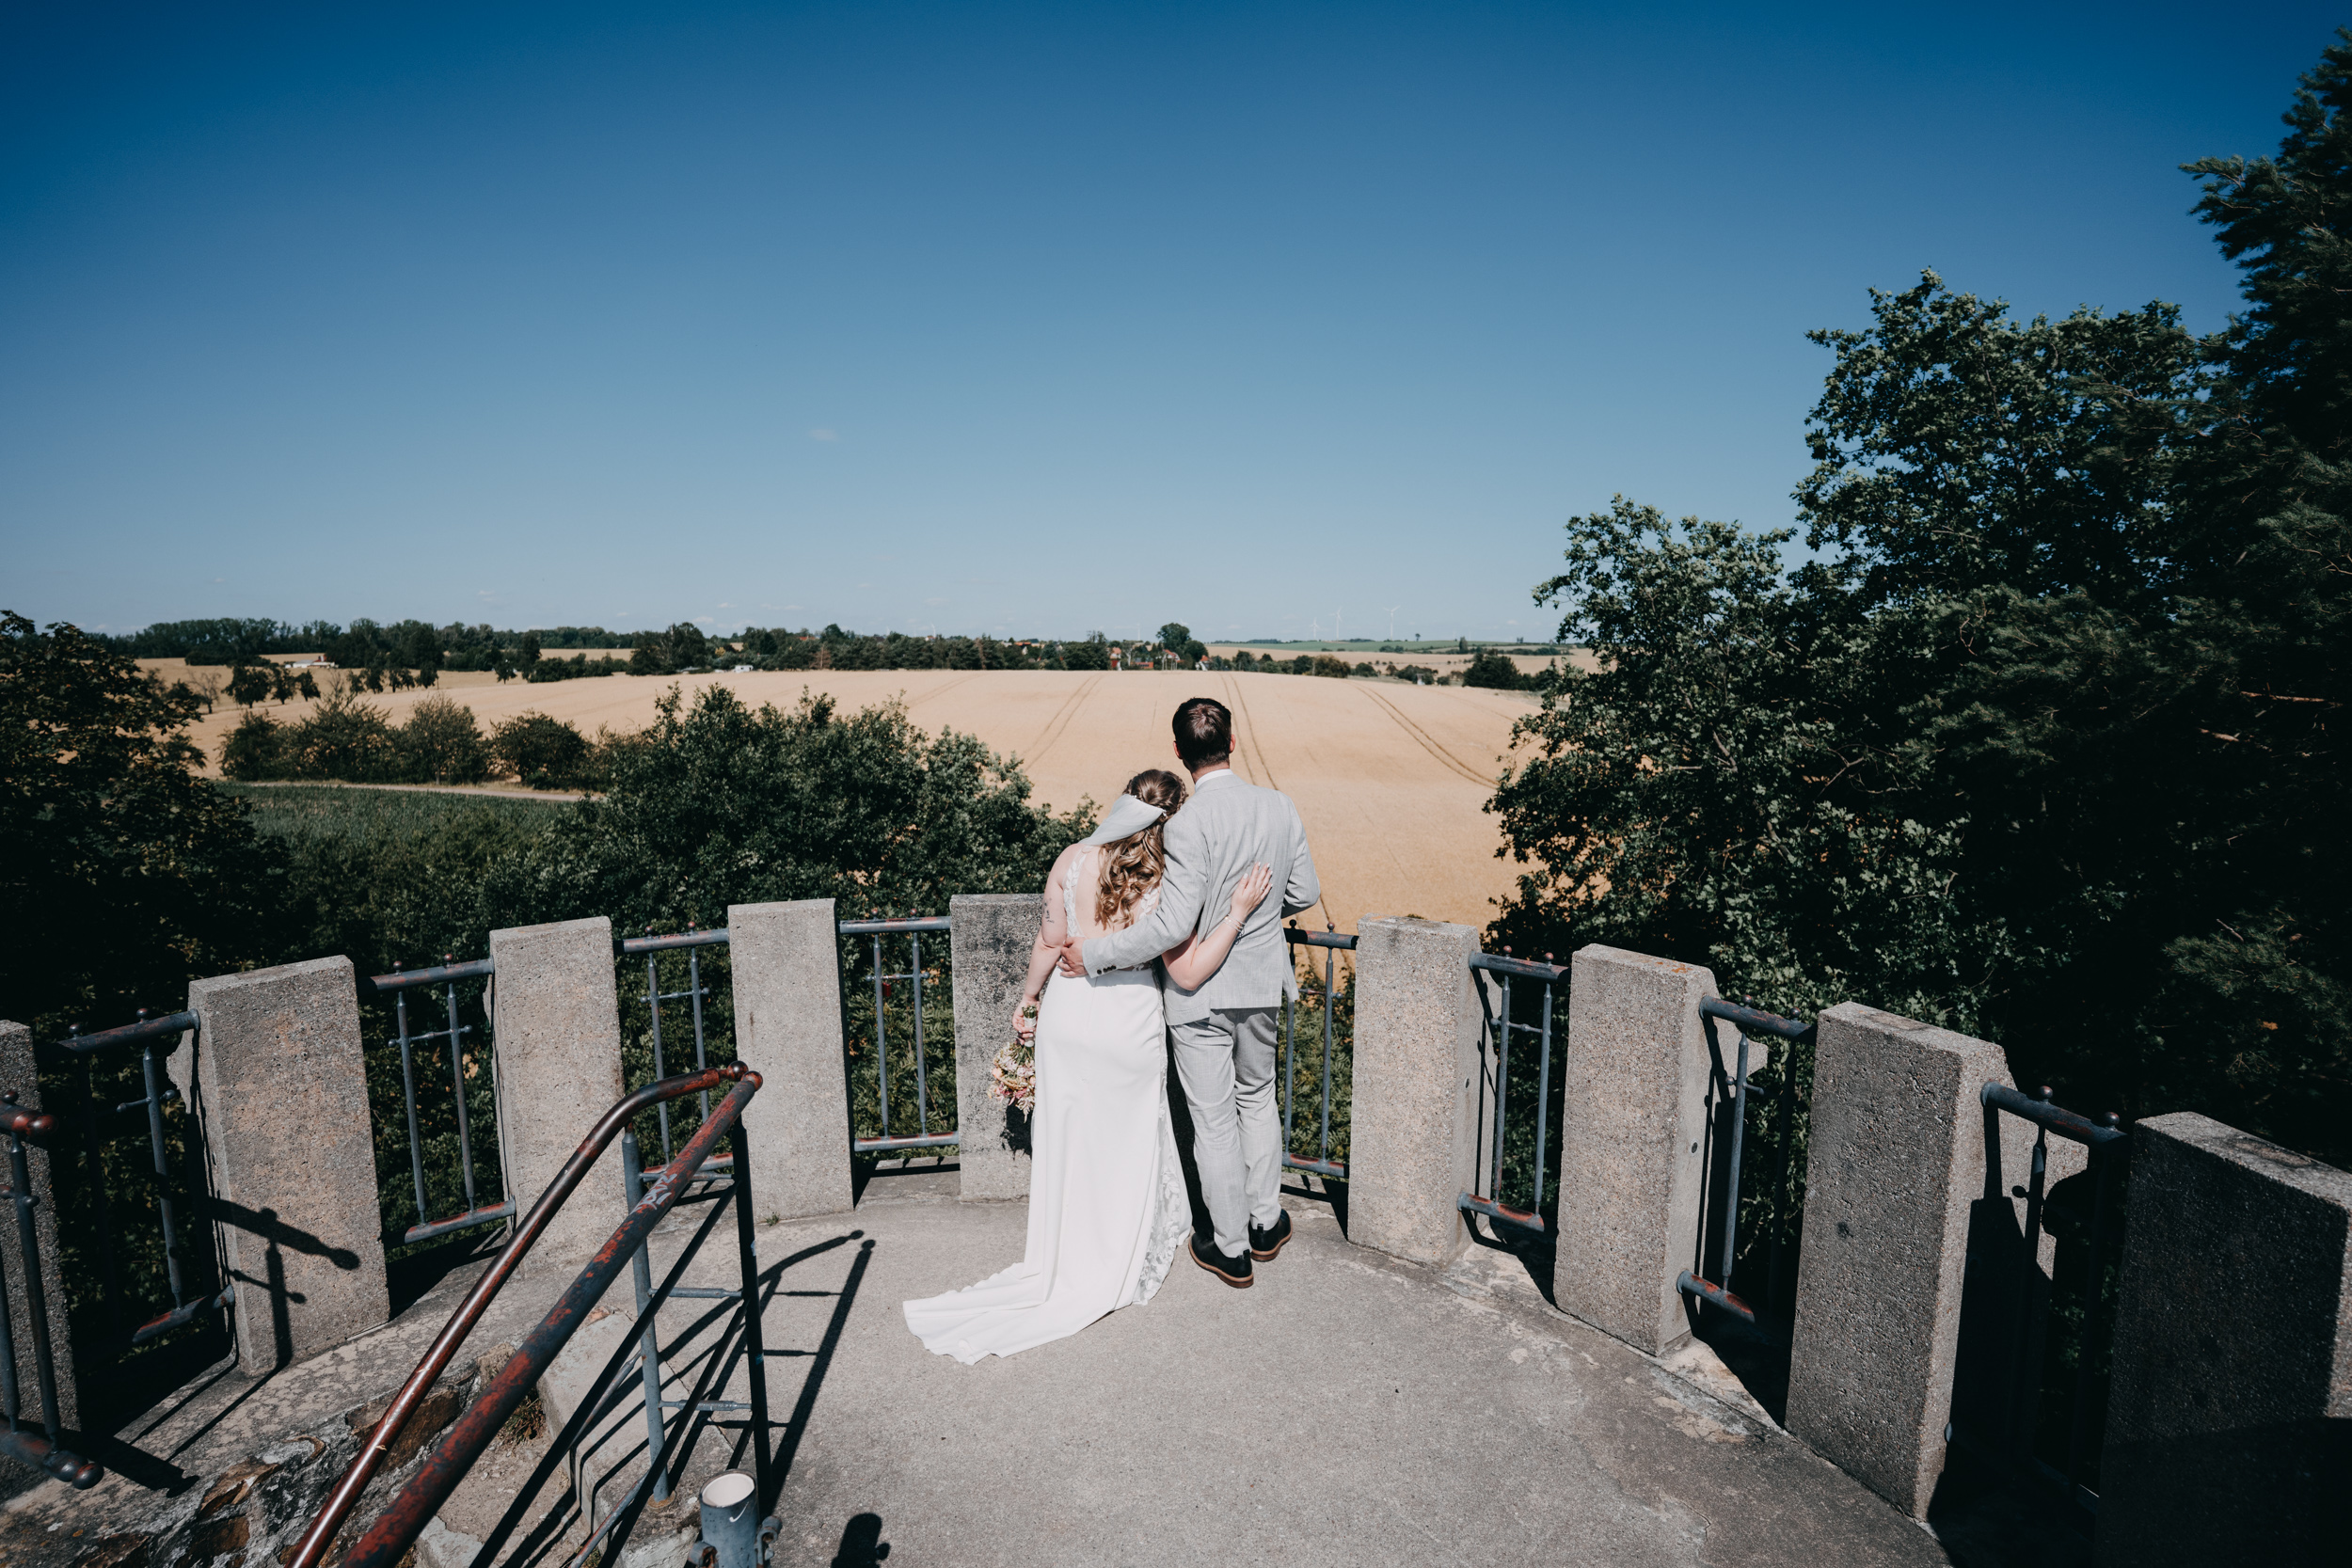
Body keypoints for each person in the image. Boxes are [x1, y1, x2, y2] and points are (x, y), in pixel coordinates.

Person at [900, 768, 1276, 1363]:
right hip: (1129, 1023)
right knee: (1124, 1142)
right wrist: (1237, 912)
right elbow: (1184, 968)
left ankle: (1062, 1252)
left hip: (1068, 1021)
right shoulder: (1167, 875)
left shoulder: (1072, 858)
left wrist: (1027, 1003)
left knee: (1070, 1141)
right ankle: (1112, 1250)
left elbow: (1050, 942)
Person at [1057, 697, 1321, 1288]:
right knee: (1258, 1098)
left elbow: (1172, 926)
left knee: (1213, 1118)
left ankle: (1229, 1249)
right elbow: (1303, 892)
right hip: (1261, 984)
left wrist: (1095, 954)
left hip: (1200, 992)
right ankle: (1266, 1222)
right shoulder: (1281, 807)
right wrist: (1256, 911)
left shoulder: (1186, 825)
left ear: (1179, 752)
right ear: (1233, 742)